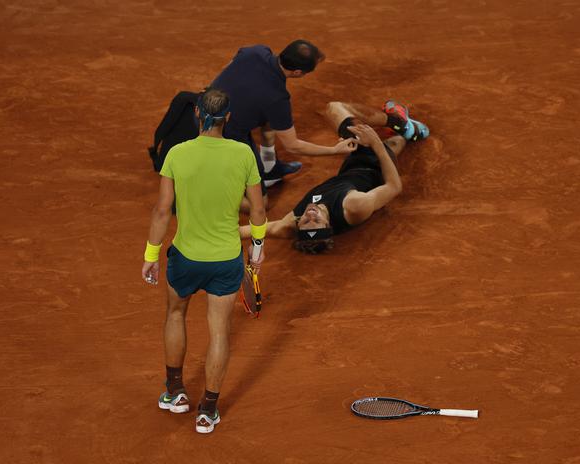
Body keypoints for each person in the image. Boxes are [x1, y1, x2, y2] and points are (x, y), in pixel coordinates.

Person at [141, 88, 268, 434]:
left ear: (198, 114)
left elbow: (162, 210)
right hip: (226, 260)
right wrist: (256, 249)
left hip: (184, 258)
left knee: (175, 313)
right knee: (219, 332)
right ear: (228, 118)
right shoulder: (243, 154)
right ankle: (207, 411)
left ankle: (175, 392)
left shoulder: (177, 154)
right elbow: (258, 209)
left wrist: (151, 255)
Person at [239, 100, 429, 253]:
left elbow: (248, 231)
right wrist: (375, 143)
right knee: (334, 108)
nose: (311, 215)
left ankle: (407, 134)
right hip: (375, 167)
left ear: (298, 224)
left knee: (394, 145)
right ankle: (399, 122)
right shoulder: (354, 206)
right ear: (328, 223)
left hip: (349, 170)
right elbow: (394, 186)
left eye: (306, 221)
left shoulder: (290, 224)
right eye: (317, 220)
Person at [210, 39, 357, 198]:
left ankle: (269, 167)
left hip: (202, 107)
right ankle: (206, 191)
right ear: (297, 73)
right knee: (260, 202)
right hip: (218, 135)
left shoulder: (256, 51)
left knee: (268, 121)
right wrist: (334, 150)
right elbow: (293, 146)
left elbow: (227, 68)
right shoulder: (277, 99)